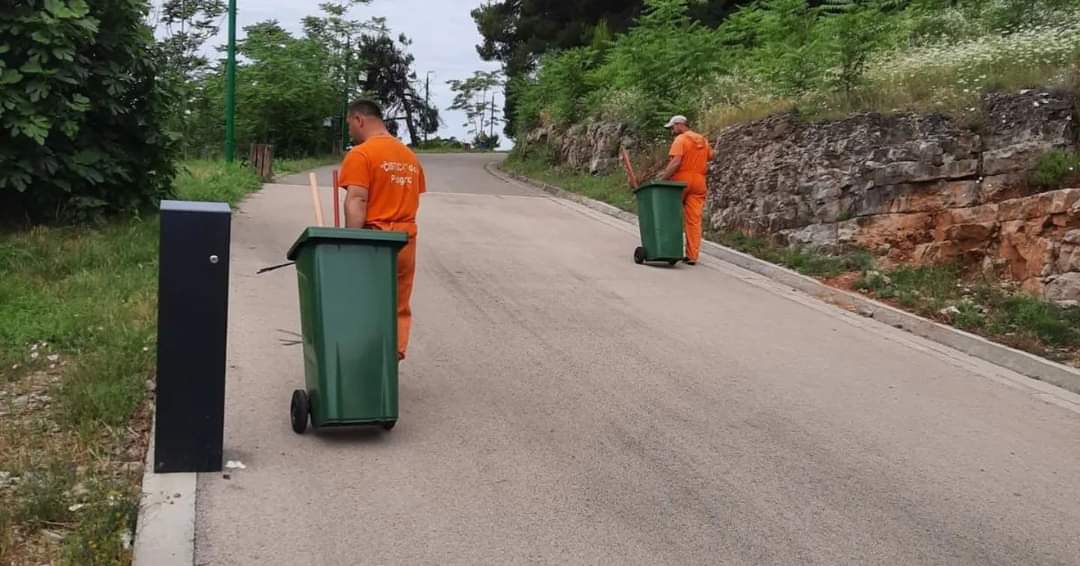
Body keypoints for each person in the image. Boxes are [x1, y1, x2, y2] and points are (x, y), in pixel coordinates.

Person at [338, 99, 426, 361]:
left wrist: (351, 244)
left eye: (349, 125)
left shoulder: (361, 154)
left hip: (374, 240)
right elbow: (413, 195)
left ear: (359, 120)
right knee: (397, 305)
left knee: (364, 304)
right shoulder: (409, 157)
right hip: (405, 240)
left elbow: (357, 200)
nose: (350, 132)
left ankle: (362, 361)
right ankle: (389, 360)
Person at [655, 115, 713, 266]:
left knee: (670, 214)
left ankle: (668, 249)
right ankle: (692, 256)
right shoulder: (703, 140)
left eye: (673, 127)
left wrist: (664, 178)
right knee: (694, 220)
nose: (672, 130)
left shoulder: (680, 140)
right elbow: (711, 156)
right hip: (699, 183)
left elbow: (676, 162)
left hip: (681, 182)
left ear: (680, 125)